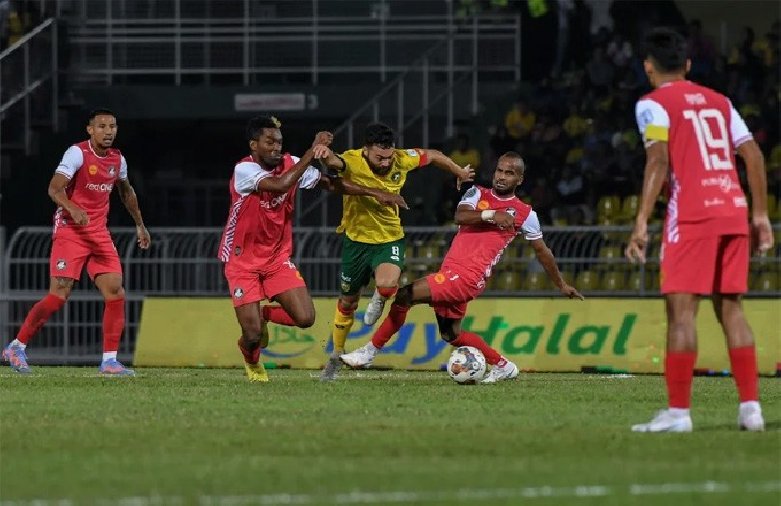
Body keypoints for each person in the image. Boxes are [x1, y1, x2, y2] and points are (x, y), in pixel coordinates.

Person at [626, 28, 774, 432]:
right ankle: (751, 409)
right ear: (688, 65)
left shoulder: (652, 104)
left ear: (648, 67)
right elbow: (754, 155)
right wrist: (760, 215)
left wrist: (640, 222)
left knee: (681, 313)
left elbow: (657, 160)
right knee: (731, 308)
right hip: (733, 209)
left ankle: (678, 413)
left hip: (692, 212)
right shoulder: (720, 102)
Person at [340, 152, 584, 382]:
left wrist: (561, 284)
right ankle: (503, 365)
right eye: (499, 170)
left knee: (405, 295)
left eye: (509, 173)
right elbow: (461, 216)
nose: (501, 176)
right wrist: (491, 215)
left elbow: (543, 252)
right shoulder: (477, 193)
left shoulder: (526, 214)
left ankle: (369, 352)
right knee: (451, 335)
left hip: (468, 277)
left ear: (520, 179)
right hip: (452, 272)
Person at [218, 116, 406, 383]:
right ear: (254, 145)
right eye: (269, 142)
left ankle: (265, 314)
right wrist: (312, 149)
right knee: (251, 336)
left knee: (305, 318)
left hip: (276, 259)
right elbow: (282, 184)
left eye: (279, 142)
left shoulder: (291, 163)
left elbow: (330, 183)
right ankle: (252, 361)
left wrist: (375, 193)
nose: (276, 147)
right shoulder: (244, 170)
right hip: (242, 261)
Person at [317, 122, 475, 381]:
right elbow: (335, 164)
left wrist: (457, 170)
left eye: (388, 156)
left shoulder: (401, 159)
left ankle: (380, 298)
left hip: (389, 238)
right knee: (348, 302)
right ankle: (336, 353)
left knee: (389, 285)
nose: (385, 162)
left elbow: (433, 155)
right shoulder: (353, 160)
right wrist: (324, 154)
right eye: (379, 157)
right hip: (356, 241)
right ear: (366, 150)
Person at [2, 109, 150, 375]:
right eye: (102, 126)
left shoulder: (118, 159)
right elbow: (54, 188)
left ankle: (109, 361)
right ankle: (16, 346)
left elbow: (126, 191)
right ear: (90, 130)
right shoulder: (77, 153)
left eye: (113, 126)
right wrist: (72, 208)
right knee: (59, 295)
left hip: (98, 233)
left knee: (115, 290)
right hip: (71, 231)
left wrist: (140, 225)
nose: (109, 131)